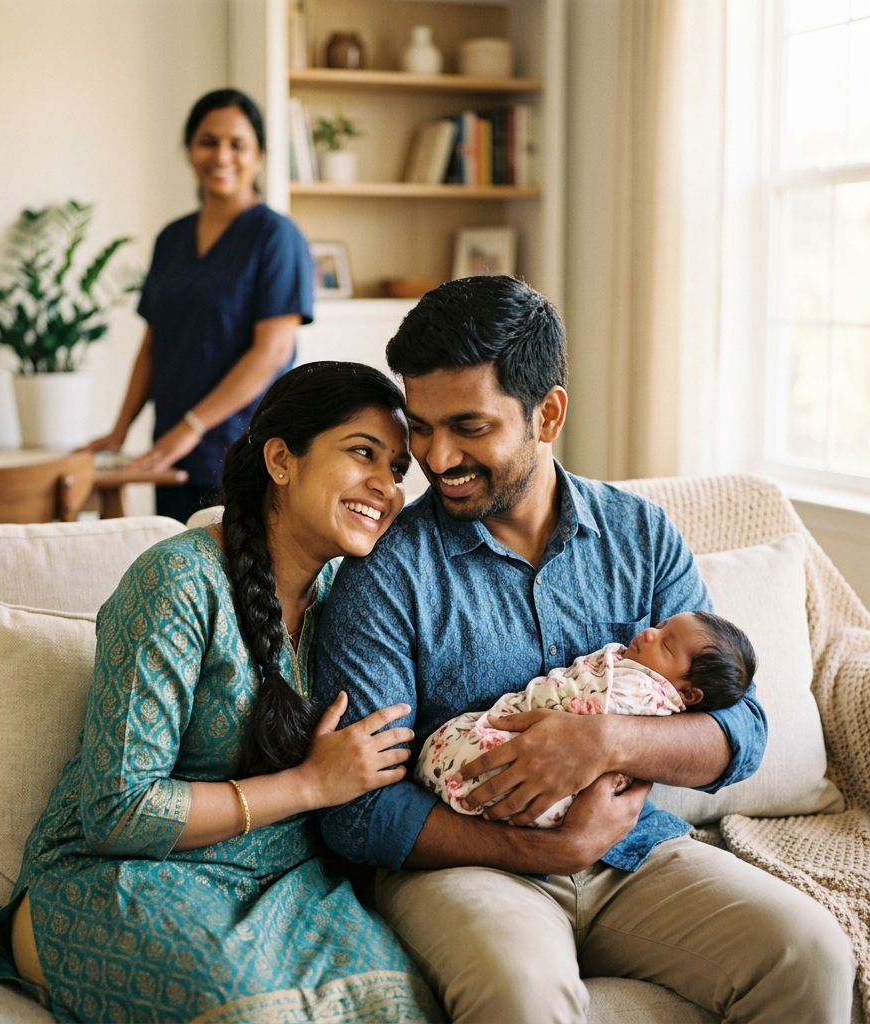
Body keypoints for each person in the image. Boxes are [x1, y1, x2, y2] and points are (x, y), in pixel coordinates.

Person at [314, 277, 855, 1023]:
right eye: (423, 426)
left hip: (635, 851)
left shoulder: (643, 538)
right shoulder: (383, 572)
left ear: (549, 413)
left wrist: (601, 740)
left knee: (810, 953)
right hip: (464, 866)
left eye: (469, 426)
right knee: (523, 996)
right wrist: (548, 852)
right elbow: (356, 812)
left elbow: (741, 729)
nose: (438, 459)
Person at [0, 362, 441, 1023]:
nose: (385, 487)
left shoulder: (348, 602)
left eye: (397, 470)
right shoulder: (176, 585)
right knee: (256, 1016)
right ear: (281, 459)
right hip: (116, 874)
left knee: (401, 1007)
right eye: (362, 453)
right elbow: (118, 810)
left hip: (282, 882)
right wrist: (309, 785)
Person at [88, 89, 314, 522]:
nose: (221, 155)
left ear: (260, 156)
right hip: (172, 454)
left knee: (238, 579)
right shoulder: (171, 239)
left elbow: (272, 353)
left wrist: (190, 429)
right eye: (208, 141)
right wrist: (120, 432)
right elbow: (154, 345)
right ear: (190, 150)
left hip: (248, 449)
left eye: (237, 144)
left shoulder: (276, 238)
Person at [416, 611, 757, 828]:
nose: (650, 633)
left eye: (667, 646)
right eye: (660, 625)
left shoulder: (642, 692)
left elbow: (746, 729)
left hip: (624, 832)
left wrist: (609, 740)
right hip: (492, 854)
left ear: (689, 694)